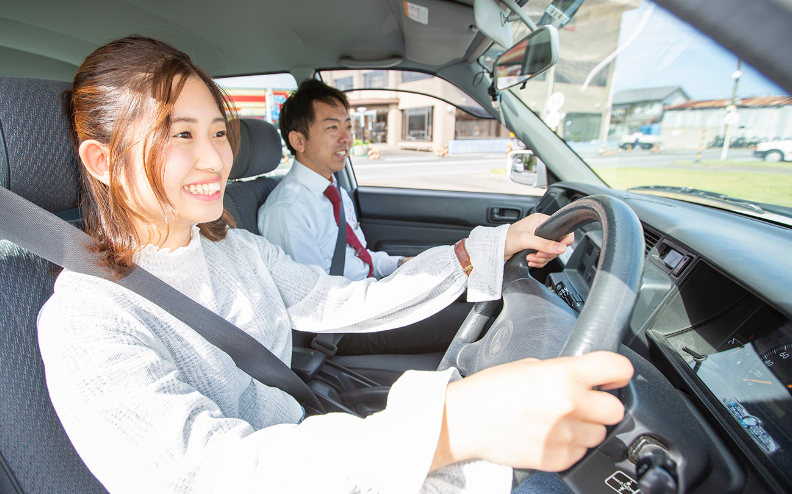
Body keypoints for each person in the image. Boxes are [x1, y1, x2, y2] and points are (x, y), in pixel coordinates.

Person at [37, 35, 634, 494]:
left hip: (306, 453)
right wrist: (448, 428)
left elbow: (346, 300)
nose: (213, 157)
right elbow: (213, 474)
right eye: (178, 135)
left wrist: (483, 249)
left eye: (218, 132)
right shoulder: (87, 319)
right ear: (102, 160)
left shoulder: (235, 249)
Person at [258, 79, 406, 282]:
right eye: (332, 128)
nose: (347, 138)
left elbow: (359, 260)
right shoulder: (288, 211)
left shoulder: (336, 192)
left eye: (348, 126)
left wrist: (400, 264)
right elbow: (318, 298)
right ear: (298, 141)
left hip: (365, 290)